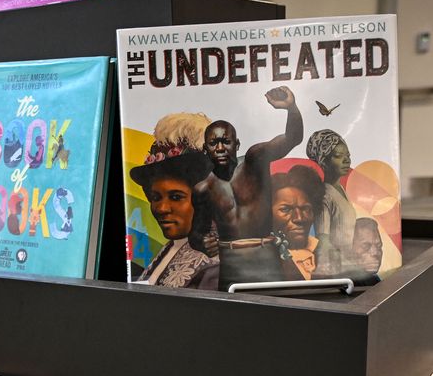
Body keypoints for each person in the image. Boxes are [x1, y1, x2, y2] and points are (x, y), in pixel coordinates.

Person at [192, 87, 304, 287]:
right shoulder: (203, 189)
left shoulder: (255, 160)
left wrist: (291, 108)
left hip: (266, 257)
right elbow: (196, 232)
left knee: (276, 314)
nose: (219, 148)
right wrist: (201, 242)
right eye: (213, 143)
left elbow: (292, 138)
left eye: (225, 142)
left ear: (237, 144)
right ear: (204, 149)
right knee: (234, 317)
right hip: (231, 263)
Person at [128, 112, 218, 289]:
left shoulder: (214, 266)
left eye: (176, 197)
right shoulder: (173, 246)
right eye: (155, 197)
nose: (161, 208)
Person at [305, 129, 359, 275]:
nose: (346, 160)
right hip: (337, 270)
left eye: (348, 155)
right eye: (338, 156)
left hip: (347, 266)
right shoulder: (325, 194)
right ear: (324, 161)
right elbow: (323, 241)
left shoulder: (340, 189)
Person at [269, 166, 325, 279]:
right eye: (286, 209)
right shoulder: (262, 258)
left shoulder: (327, 251)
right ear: (267, 214)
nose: (299, 218)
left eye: (305, 209)